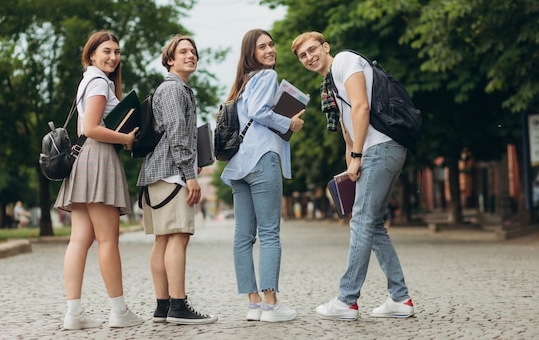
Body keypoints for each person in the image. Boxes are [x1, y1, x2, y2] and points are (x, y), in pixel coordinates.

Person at [291, 31, 414, 320]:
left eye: (313, 50)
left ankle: (347, 300)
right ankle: (400, 298)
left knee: (361, 221)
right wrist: (350, 163)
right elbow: (348, 130)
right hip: (378, 149)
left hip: (380, 147)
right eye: (303, 55)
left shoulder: (344, 61)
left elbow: (361, 106)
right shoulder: (331, 81)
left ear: (326, 47)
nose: (309, 57)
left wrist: (358, 156)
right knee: (373, 224)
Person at [54, 30, 142, 330]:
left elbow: (83, 125)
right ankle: (119, 311)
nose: (113, 57)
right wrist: (125, 138)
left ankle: (73, 313)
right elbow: (90, 127)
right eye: (106, 51)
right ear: (91, 54)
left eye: (116, 52)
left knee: (79, 240)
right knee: (107, 240)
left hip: (83, 160)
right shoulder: (100, 82)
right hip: (98, 157)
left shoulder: (87, 80)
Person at [220, 28, 304, 323]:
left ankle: (253, 303)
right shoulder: (267, 77)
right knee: (269, 233)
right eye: (262, 47)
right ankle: (271, 304)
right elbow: (260, 112)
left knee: (243, 237)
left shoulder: (242, 83)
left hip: (240, 166)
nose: (270, 50)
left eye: (271, 45)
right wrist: (290, 122)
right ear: (251, 54)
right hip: (262, 159)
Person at [137, 34, 218, 325]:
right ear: (170, 59)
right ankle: (178, 306)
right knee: (178, 238)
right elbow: (177, 135)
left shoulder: (177, 89)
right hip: (171, 175)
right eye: (183, 51)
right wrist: (190, 176)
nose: (191, 55)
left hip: (159, 174)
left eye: (194, 51)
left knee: (163, 239)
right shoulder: (173, 89)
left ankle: (163, 307)